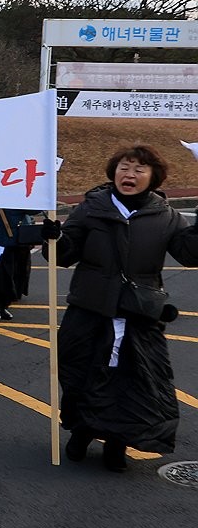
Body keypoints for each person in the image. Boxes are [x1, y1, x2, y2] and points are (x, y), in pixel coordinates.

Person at [43, 145, 198, 472]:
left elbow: (190, 254)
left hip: (139, 315)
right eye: (125, 167)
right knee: (79, 375)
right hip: (89, 310)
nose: (130, 174)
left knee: (133, 383)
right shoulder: (90, 209)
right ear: (113, 172)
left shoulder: (167, 216)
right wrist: (53, 238)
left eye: (140, 169)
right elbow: (64, 255)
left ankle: (117, 443)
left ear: (153, 178)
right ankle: (81, 433)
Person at [0, 208, 35, 322]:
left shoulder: (17, 197)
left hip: (12, 241)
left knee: (9, 273)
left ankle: (4, 306)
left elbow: (33, 210)